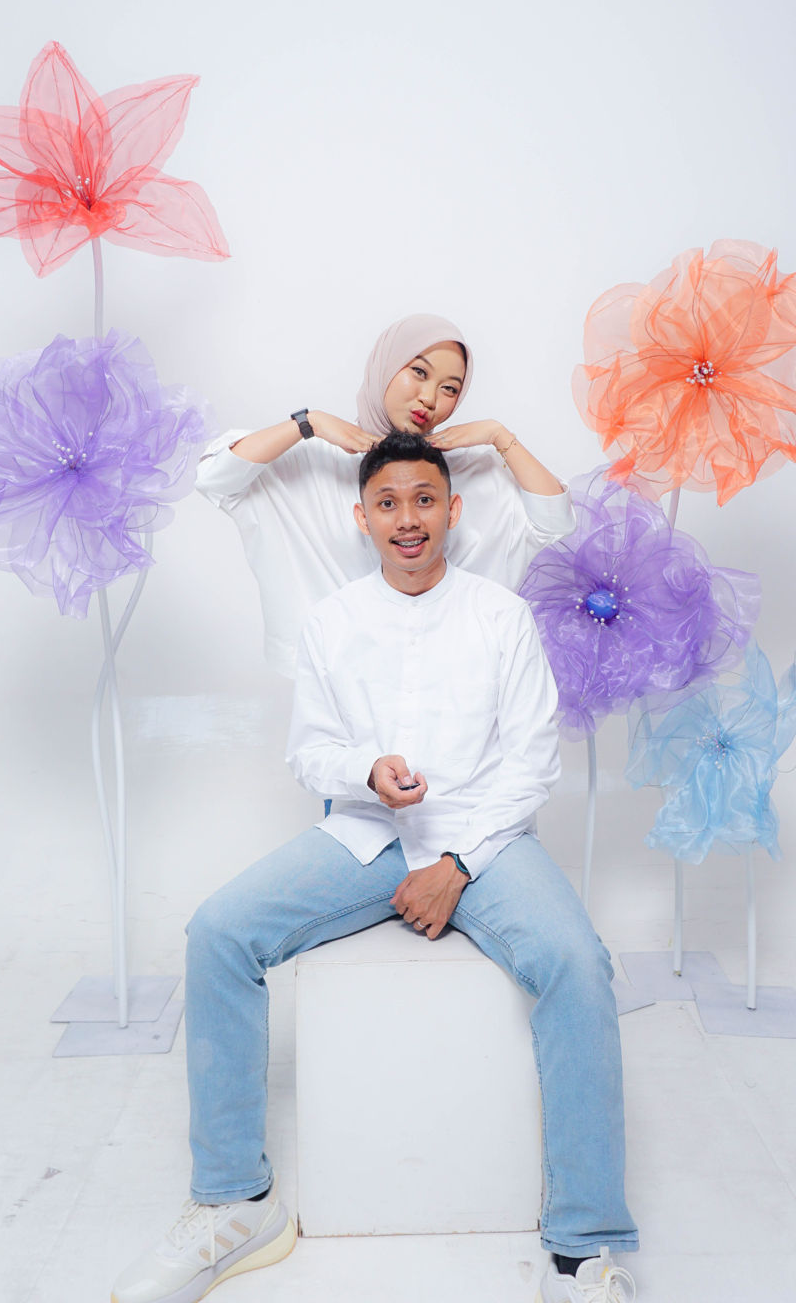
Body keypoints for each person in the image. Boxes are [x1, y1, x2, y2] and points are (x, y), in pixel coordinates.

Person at [112, 434, 638, 1303]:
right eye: (388, 503)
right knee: (218, 933)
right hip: (366, 834)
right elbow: (310, 752)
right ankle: (234, 1203)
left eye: (424, 499)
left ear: (453, 510)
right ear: (362, 518)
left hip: (486, 838)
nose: (407, 519)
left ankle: (583, 1249)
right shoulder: (333, 620)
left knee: (578, 963)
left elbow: (531, 763)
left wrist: (457, 864)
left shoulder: (500, 615)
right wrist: (366, 770)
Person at [195, 312, 575, 676]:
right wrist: (307, 424)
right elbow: (214, 477)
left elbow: (553, 520)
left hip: (445, 679)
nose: (429, 398)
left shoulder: (467, 470)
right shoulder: (311, 460)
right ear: (386, 365)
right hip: (329, 679)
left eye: (449, 388)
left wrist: (499, 436)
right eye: (419, 372)